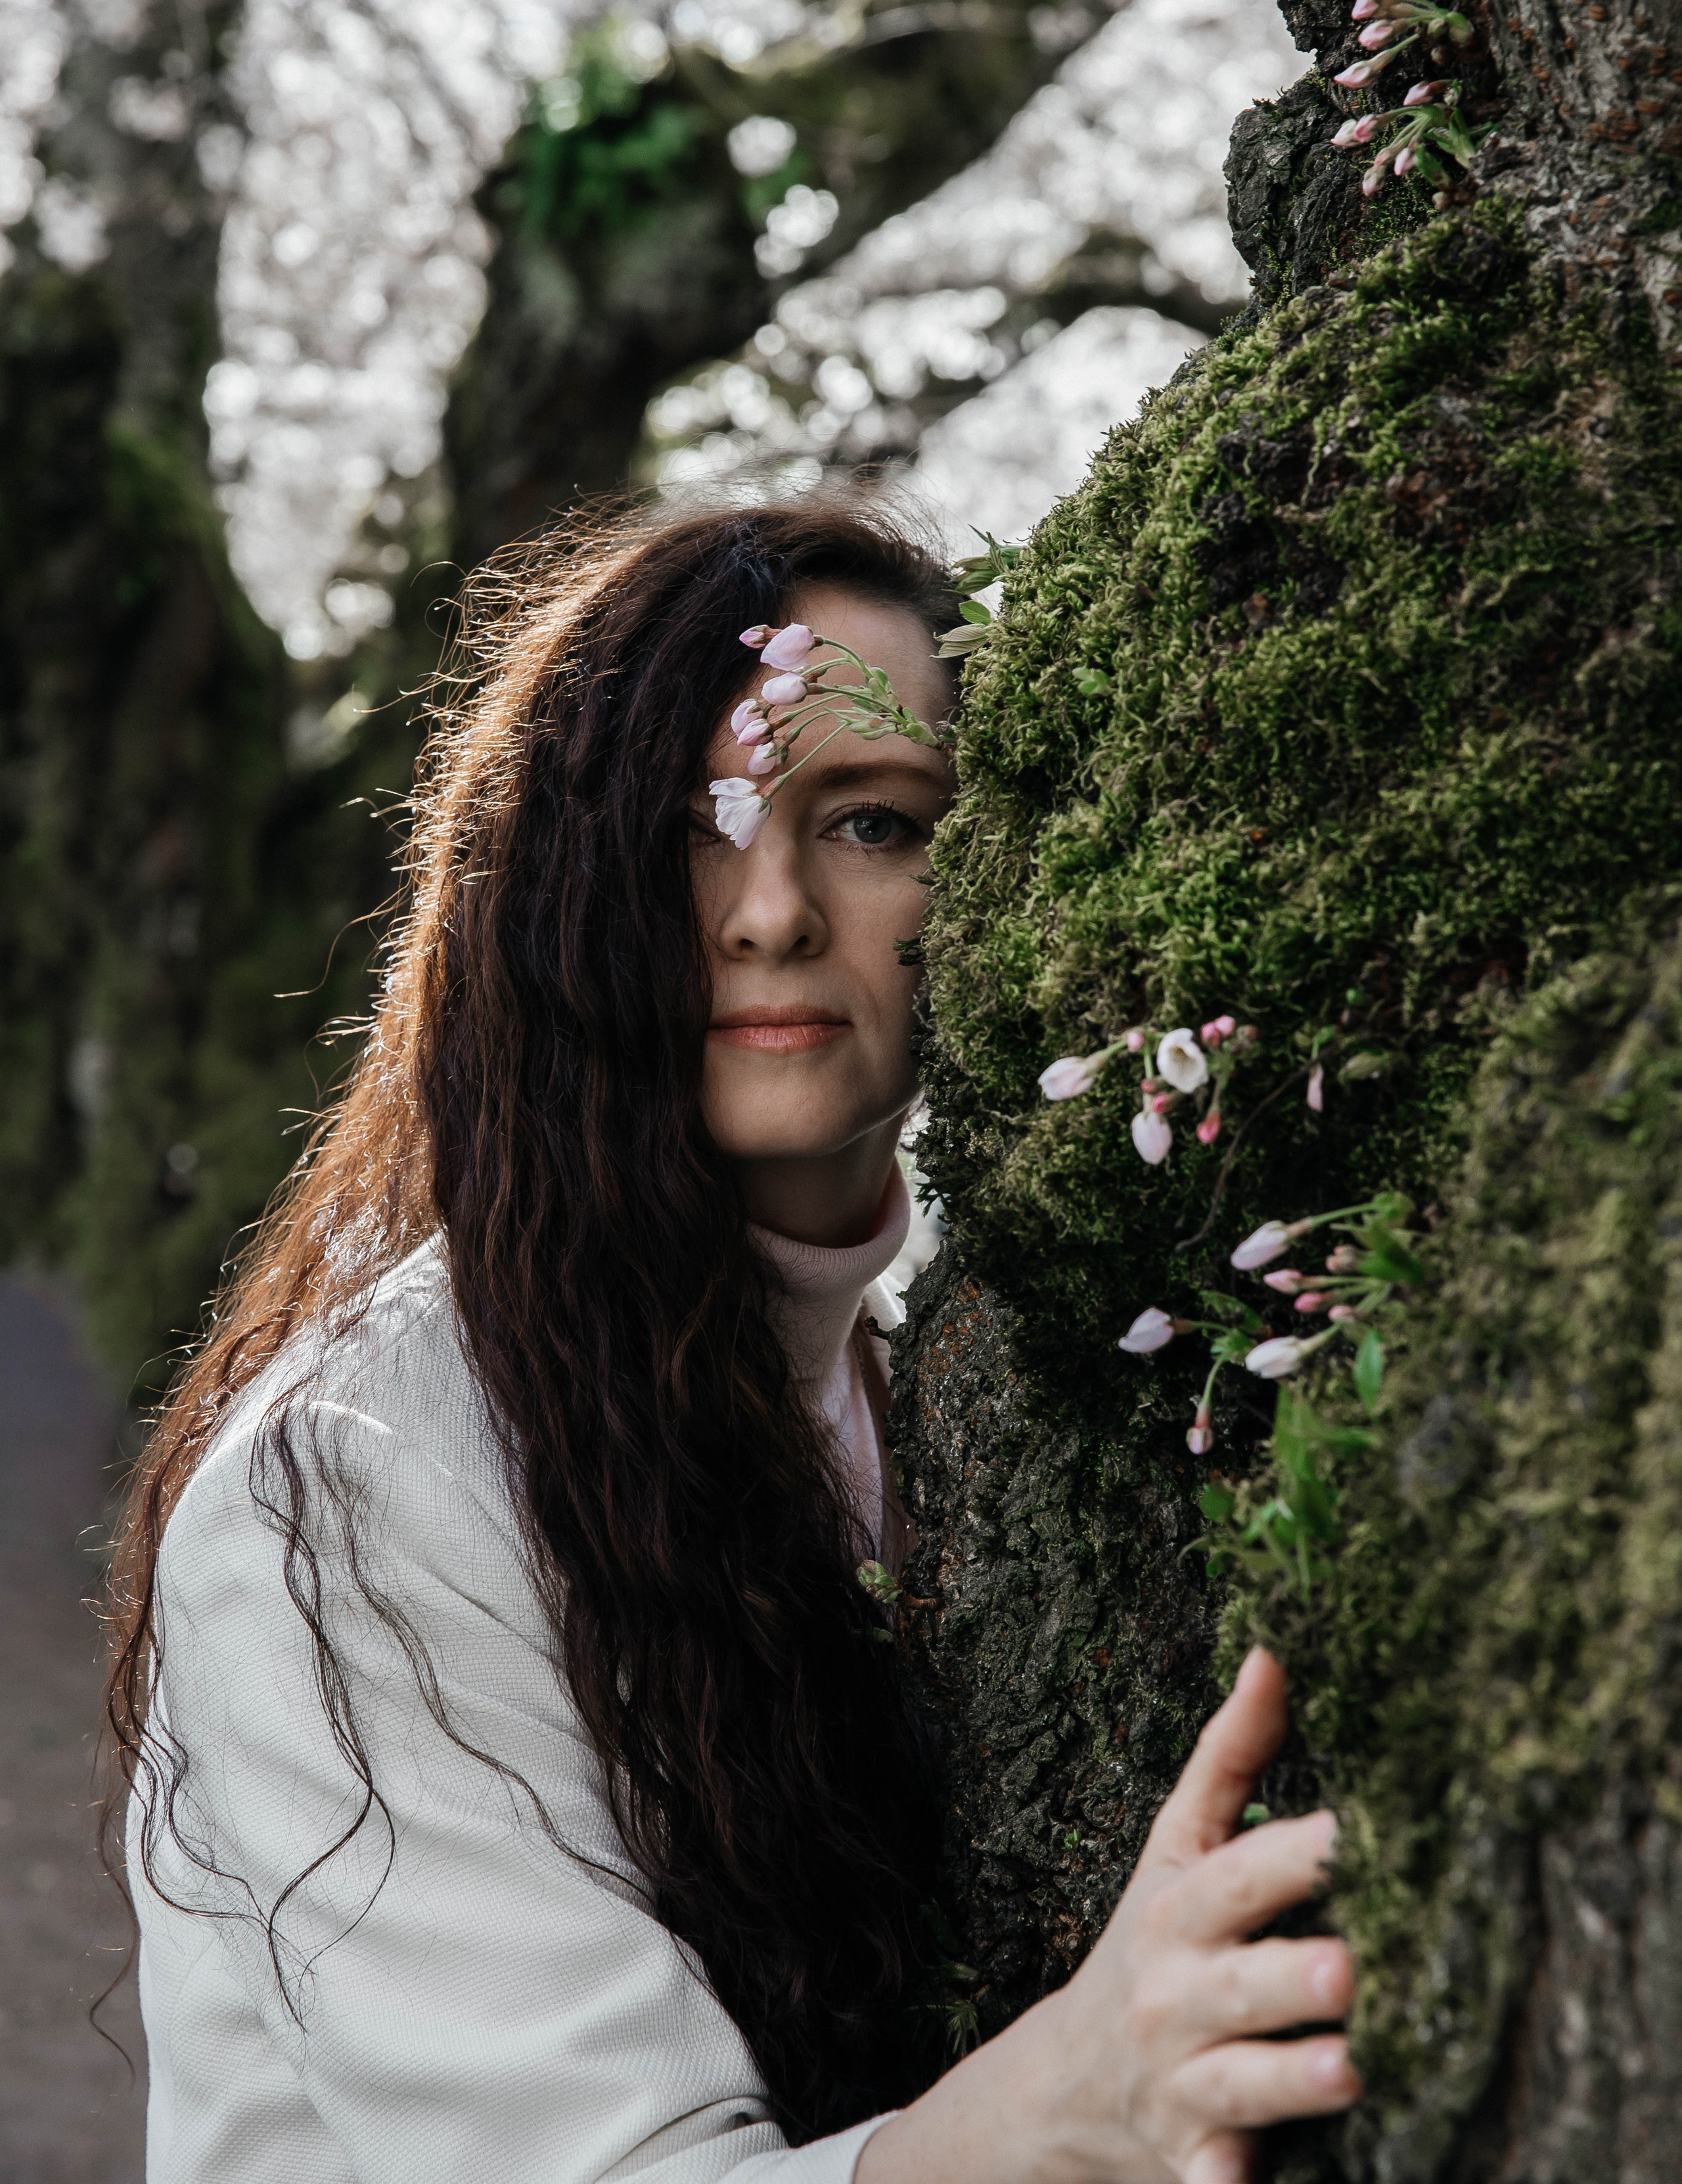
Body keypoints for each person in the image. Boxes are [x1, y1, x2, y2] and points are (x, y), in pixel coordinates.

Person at [108, 497, 1361, 2184]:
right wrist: (1072, 2097)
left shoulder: (938, 1391)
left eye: (865, 820)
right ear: (558, 882)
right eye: (695, 825)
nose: (768, 911)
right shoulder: (352, 1489)